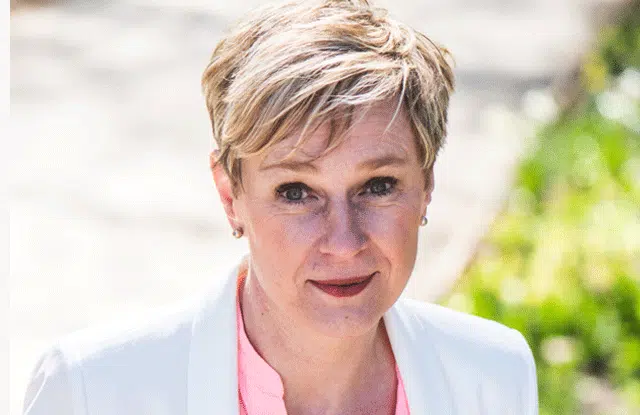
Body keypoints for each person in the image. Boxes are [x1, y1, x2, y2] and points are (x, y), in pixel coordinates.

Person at [22, 0, 538, 414]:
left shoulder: (493, 375)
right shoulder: (91, 392)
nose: (344, 242)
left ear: (426, 184)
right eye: (295, 192)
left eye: (378, 185)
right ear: (231, 196)